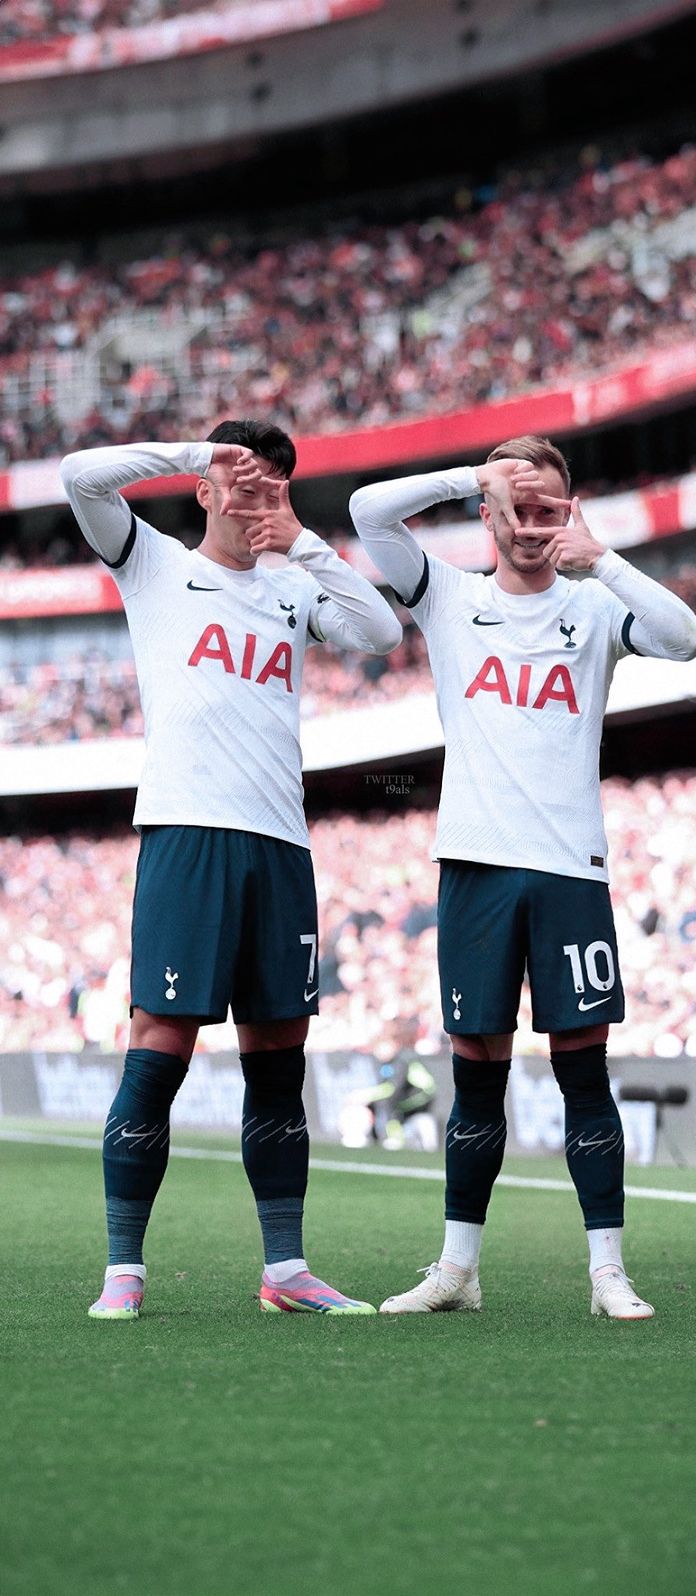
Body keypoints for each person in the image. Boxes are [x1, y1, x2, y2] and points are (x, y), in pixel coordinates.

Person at [349, 435, 696, 1319]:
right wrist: (470, 476)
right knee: (477, 1073)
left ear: (569, 512)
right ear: (487, 512)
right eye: (515, 506)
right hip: (474, 867)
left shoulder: (593, 609)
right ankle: (456, 1270)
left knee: (584, 1075)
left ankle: (607, 1275)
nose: (532, 524)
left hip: (569, 874)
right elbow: (367, 513)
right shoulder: (448, 596)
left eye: (549, 507)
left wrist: (606, 559)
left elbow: (689, 639)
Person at [60, 419, 402, 1318]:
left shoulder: (293, 584)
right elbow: (81, 476)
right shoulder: (154, 563)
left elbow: (379, 634)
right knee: (161, 1049)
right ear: (206, 489)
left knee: (278, 1058)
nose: (255, 496)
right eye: (240, 480)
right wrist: (189, 455)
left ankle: (285, 1270)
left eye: (271, 484)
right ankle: (123, 1270)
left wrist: (309, 542)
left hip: (280, 845)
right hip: (187, 835)